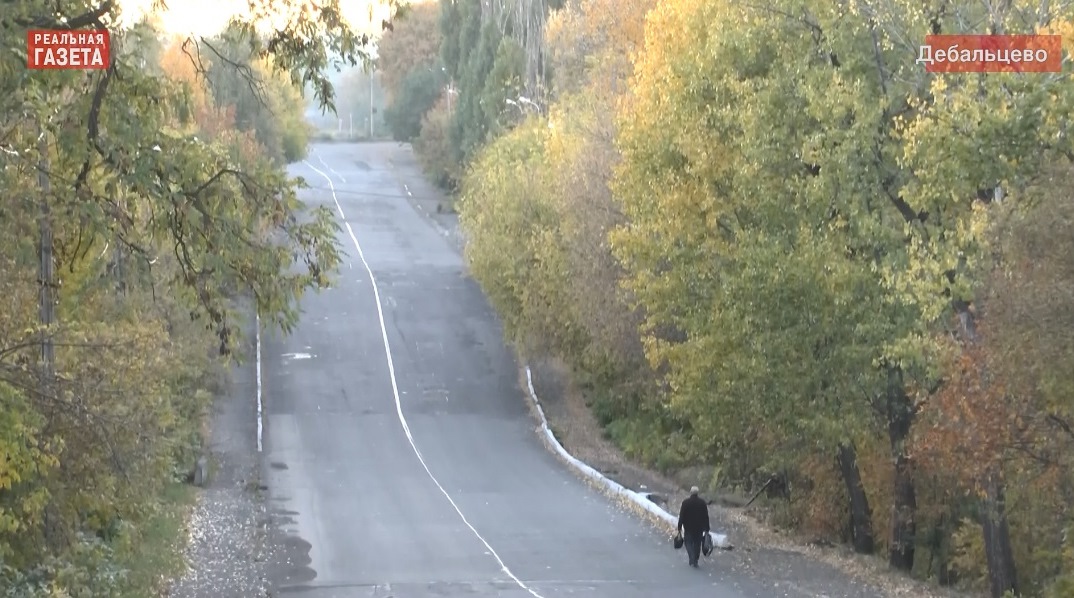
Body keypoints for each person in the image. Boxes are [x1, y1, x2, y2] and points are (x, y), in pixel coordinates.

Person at [677, 486, 710, 567]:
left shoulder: (686, 503)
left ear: (690, 492)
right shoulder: (702, 503)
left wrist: (679, 527)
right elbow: (706, 516)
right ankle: (695, 559)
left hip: (688, 527)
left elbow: (682, 515)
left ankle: (691, 556)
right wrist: (707, 528)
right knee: (697, 543)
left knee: (688, 542)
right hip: (699, 527)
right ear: (697, 493)